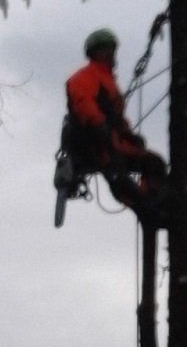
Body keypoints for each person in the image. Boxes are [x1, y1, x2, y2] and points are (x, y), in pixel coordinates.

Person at [62, 29, 168, 218]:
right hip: (94, 142)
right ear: (96, 53)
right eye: (106, 50)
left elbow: (117, 117)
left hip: (112, 140)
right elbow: (84, 103)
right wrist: (99, 127)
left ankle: (155, 199)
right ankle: (145, 206)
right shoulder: (84, 77)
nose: (111, 54)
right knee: (118, 175)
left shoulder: (108, 81)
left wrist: (128, 134)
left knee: (154, 163)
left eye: (112, 50)